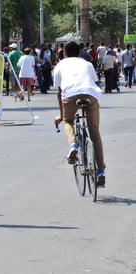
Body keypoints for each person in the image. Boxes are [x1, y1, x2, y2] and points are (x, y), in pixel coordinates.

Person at [53, 41, 106, 188]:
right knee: (94, 133)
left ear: (64, 54)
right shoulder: (87, 64)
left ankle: (74, 144)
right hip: (90, 95)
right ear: (79, 53)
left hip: (69, 96)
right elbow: (93, 81)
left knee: (68, 121)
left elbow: (59, 92)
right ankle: (101, 170)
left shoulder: (60, 65)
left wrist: (61, 115)